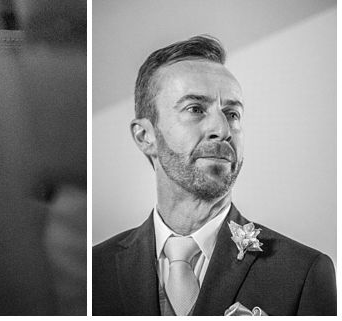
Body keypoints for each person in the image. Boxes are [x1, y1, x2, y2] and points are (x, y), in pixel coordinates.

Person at [92, 35, 336, 315]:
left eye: (232, 113)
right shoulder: (94, 270)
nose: (222, 129)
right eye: (195, 109)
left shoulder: (303, 273)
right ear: (145, 135)